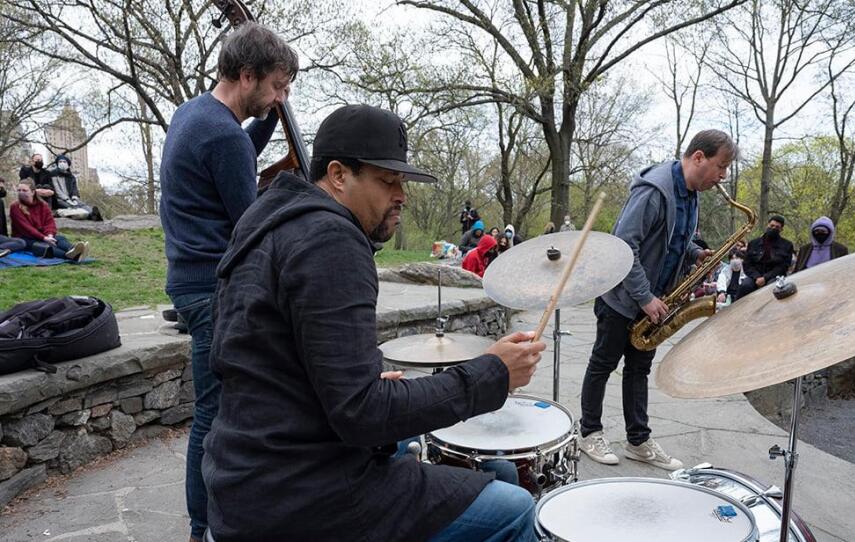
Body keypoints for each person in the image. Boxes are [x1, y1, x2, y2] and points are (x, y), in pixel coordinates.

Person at [202, 104, 545, 541]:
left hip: (243, 477)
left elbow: (267, 361)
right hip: (299, 496)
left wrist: (362, 379)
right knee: (515, 508)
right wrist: (492, 373)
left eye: (401, 181)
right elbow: (361, 415)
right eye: (387, 180)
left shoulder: (267, 223)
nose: (401, 194)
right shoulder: (331, 240)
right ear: (339, 174)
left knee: (484, 470)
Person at [158, 21, 297, 542]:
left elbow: (239, 149)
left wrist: (271, 118)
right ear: (246, 74)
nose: (281, 97)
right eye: (277, 87)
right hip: (212, 290)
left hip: (189, 282)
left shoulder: (196, 113)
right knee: (213, 416)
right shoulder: (222, 136)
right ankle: (203, 528)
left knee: (217, 410)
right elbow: (251, 225)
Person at [579, 129, 731, 470]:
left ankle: (638, 440)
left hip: (655, 301)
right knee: (603, 365)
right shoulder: (653, 190)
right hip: (621, 297)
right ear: (698, 158)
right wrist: (645, 296)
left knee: (638, 371)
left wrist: (694, 253)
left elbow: (672, 238)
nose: (724, 175)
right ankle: (589, 432)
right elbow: (624, 246)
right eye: (721, 166)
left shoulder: (692, 195)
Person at [9, 179, 89, 261]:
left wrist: (50, 235)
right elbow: (26, 228)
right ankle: (70, 256)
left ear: (32, 192)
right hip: (24, 238)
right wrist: (44, 238)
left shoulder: (43, 205)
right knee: (43, 247)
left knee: (59, 239)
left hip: (42, 235)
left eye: (24, 190)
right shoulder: (15, 207)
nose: (21, 192)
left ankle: (74, 250)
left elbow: (50, 223)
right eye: (19, 190)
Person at [737, 215, 794, 299]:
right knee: (745, 286)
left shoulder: (787, 245)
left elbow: (783, 267)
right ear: (767, 225)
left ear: (781, 229)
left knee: (772, 288)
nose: (773, 228)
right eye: (772, 226)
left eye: (777, 227)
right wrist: (757, 277)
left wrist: (765, 278)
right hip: (755, 276)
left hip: (774, 276)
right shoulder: (754, 243)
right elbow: (747, 264)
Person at [46, 155, 102, 221]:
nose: (62, 163)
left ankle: (93, 214)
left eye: (64, 162)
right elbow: (57, 190)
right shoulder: (53, 174)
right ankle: (89, 215)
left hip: (71, 198)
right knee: (72, 206)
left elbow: (74, 189)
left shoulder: (71, 176)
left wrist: (74, 198)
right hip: (58, 199)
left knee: (82, 204)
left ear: (68, 164)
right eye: (60, 161)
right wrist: (67, 199)